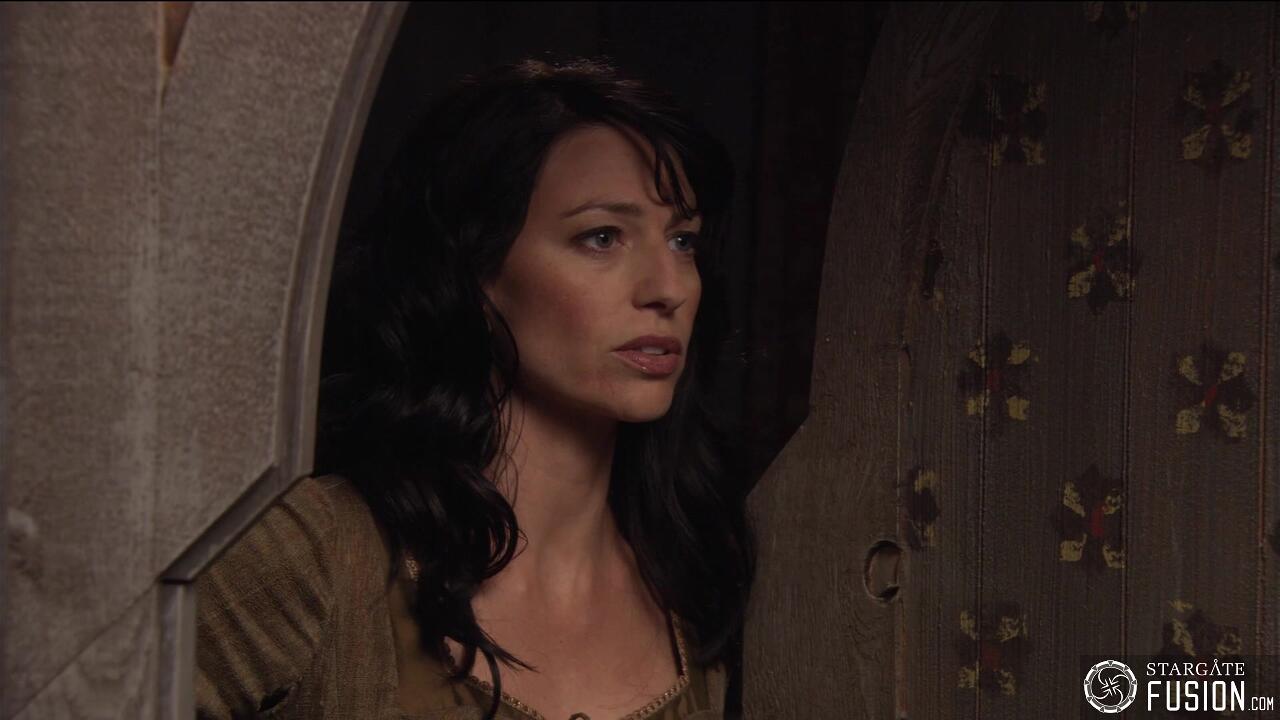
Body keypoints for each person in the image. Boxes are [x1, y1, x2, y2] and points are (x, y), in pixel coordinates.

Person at [195, 57, 755, 720]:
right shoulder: (317, 550)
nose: (668, 288)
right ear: (473, 272)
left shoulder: (701, 581)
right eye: (602, 237)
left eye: (683, 241)